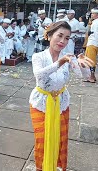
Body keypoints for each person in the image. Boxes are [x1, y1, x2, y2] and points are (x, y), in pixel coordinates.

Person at [29, 21, 93, 171]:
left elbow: (82, 75)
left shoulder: (67, 57)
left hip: (61, 102)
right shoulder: (38, 56)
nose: (62, 41)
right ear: (49, 35)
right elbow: (39, 75)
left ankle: (57, 166)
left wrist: (83, 65)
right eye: (60, 36)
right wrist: (60, 62)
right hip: (41, 103)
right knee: (42, 139)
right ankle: (41, 167)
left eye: (67, 38)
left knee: (61, 139)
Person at [85, 8, 98, 83]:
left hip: (93, 42)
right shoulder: (94, 22)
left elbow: (96, 33)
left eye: (93, 13)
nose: (92, 15)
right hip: (93, 42)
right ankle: (91, 76)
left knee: (90, 60)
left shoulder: (96, 23)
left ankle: (92, 77)